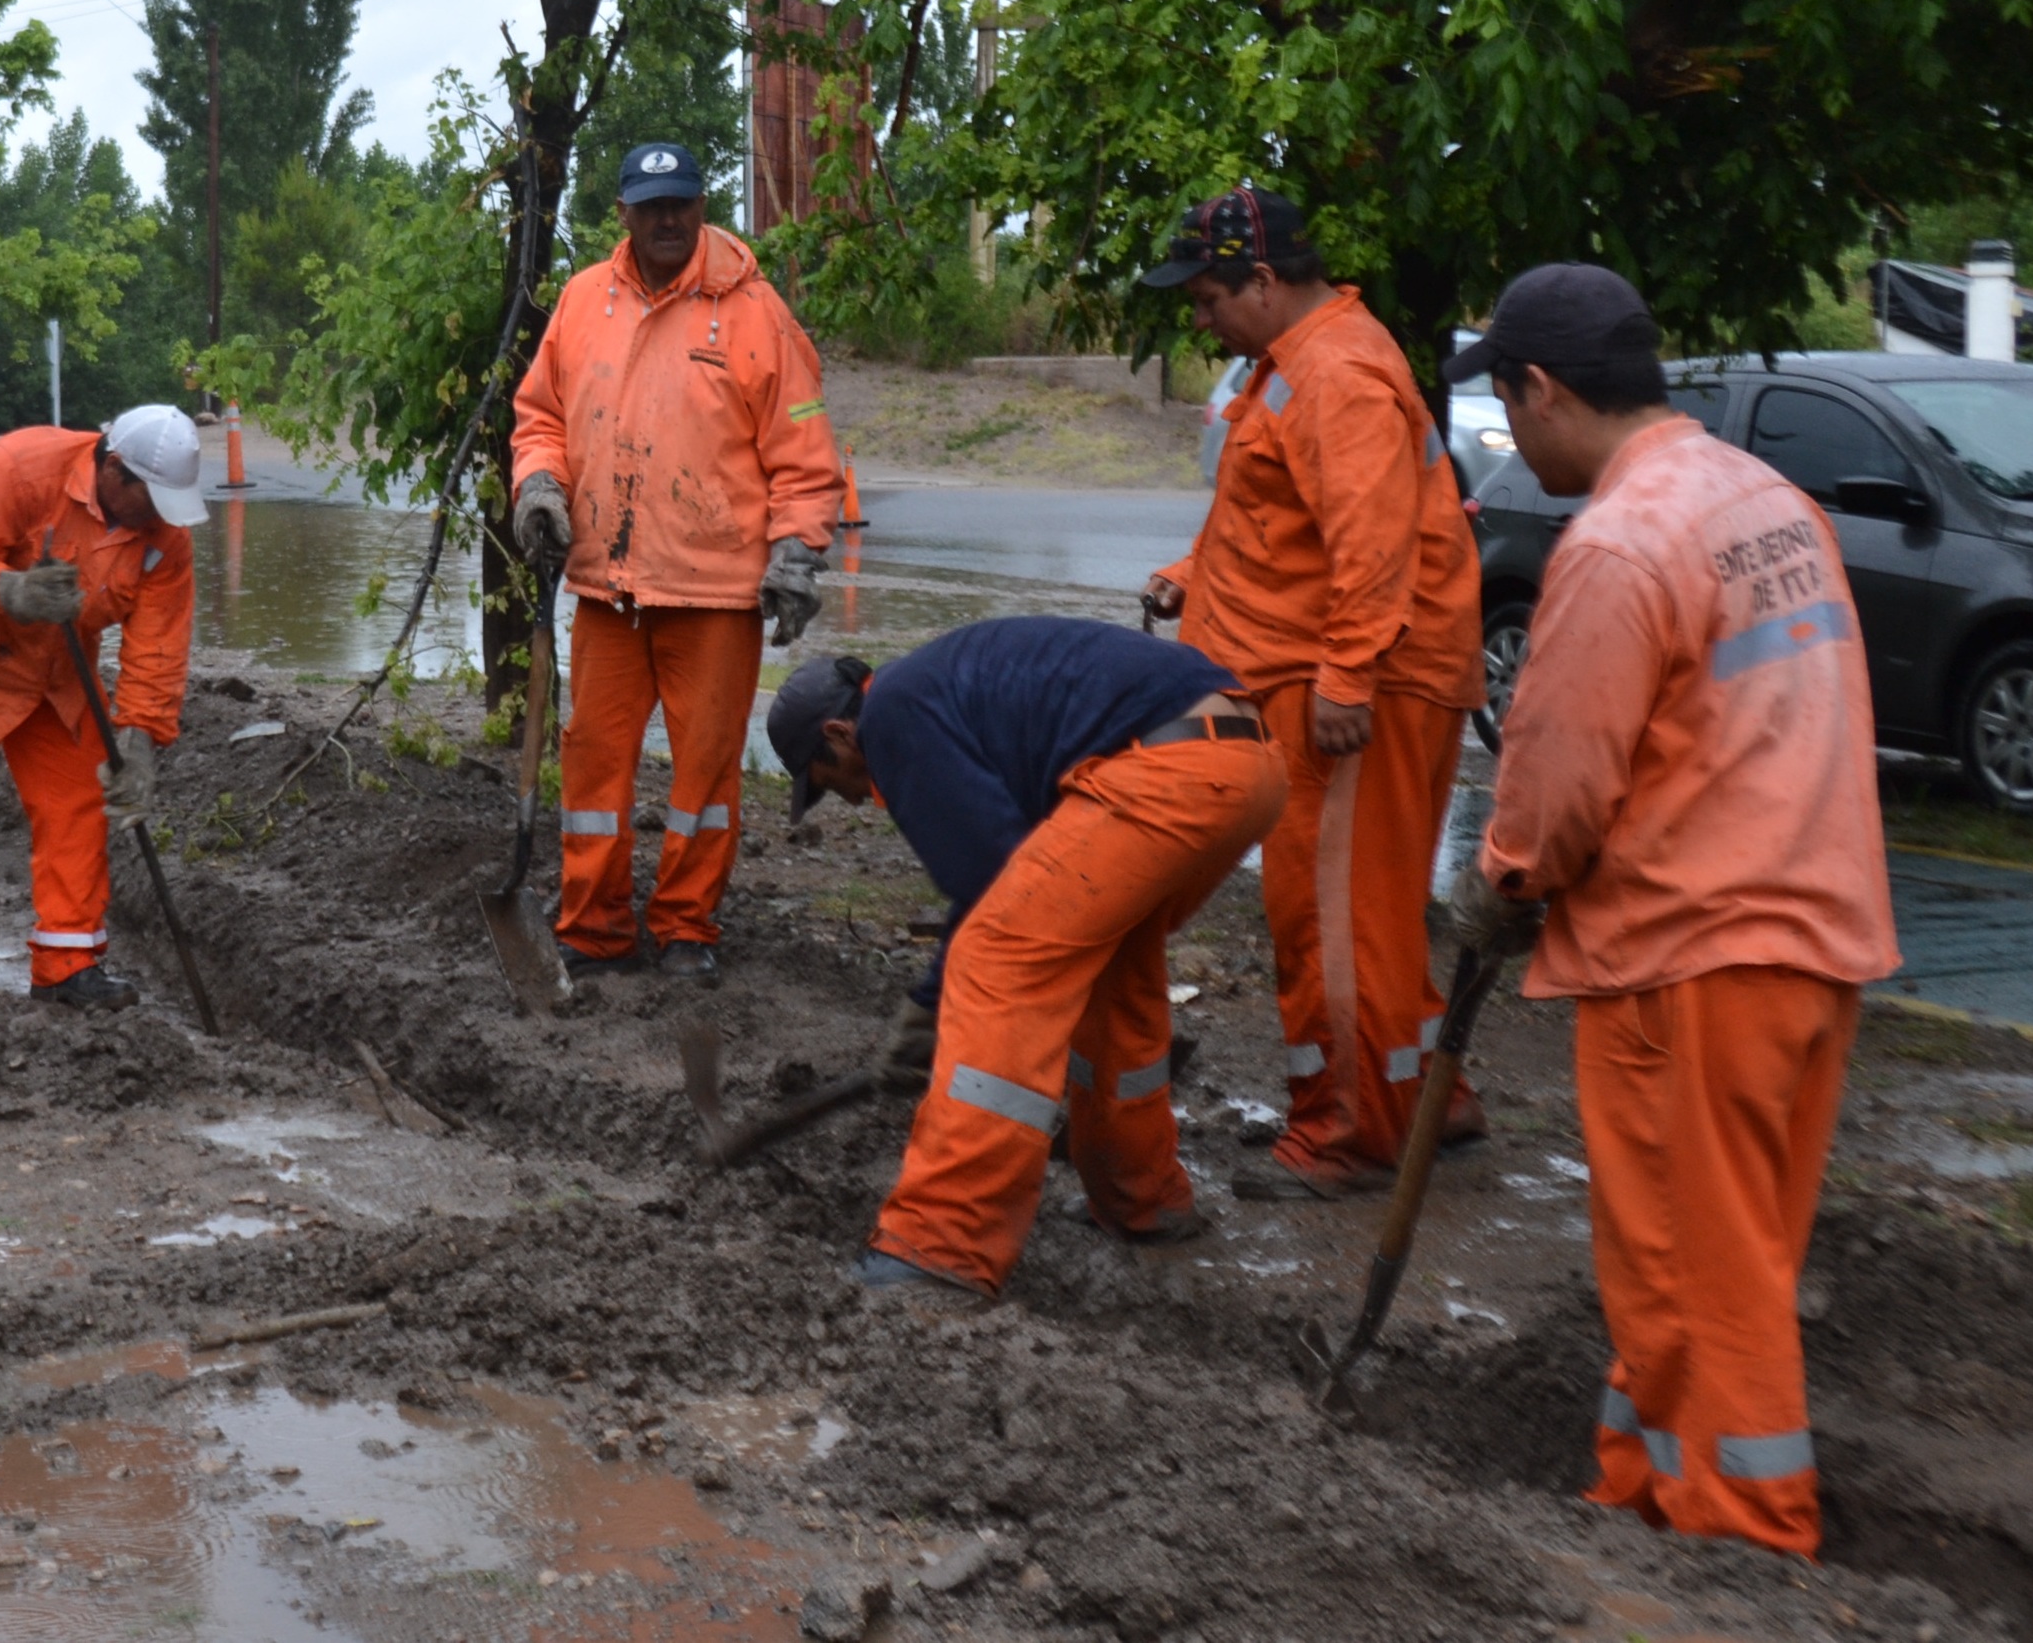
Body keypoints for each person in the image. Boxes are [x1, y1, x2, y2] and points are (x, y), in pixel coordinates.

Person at [1450, 264, 1898, 1559]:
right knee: (1708, 1260)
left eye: (1508, 403)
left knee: (1700, 1276)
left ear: (1542, 389)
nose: (1510, 434)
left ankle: (1741, 1543)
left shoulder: (1616, 540)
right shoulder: (1765, 501)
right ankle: (1639, 1494)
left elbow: (1555, 783)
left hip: (1689, 958)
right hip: (1811, 943)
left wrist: (1502, 883)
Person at [1136, 186, 1488, 1198]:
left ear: (1261, 278)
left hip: (1349, 685)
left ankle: (1343, 1133)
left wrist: (1345, 677)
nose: (1198, 318)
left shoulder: (1335, 373)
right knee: (1368, 911)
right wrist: (1191, 576)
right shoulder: (1291, 366)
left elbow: (1369, 544)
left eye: (1208, 296)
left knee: (1330, 919)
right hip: (1334, 671)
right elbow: (1272, 519)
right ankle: (1426, 1101)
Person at [769, 618, 1288, 1300]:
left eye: (831, 781)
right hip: (1243, 763)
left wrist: (928, 1008)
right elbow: (1006, 865)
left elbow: (987, 881)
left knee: (999, 960)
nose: (856, 798)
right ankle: (1141, 1196)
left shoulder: (893, 710)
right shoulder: (944, 688)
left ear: (839, 734)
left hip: (1166, 770)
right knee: (1108, 968)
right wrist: (926, 1007)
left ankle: (940, 1244)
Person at [511, 141, 844, 985]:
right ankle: (593, 930)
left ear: (702, 206)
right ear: (621, 211)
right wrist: (540, 484)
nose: (668, 218)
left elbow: (806, 456)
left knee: (705, 772)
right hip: (604, 590)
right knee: (592, 766)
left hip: (715, 595)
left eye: (682, 203)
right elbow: (539, 415)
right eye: (651, 204)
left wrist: (799, 551)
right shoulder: (585, 300)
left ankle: (688, 925)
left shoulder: (757, 313)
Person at [0, 406, 209, 1020]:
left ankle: (67, 963)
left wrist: (138, 746)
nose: (163, 515)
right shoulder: (20, 465)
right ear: (115, 470)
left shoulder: (167, 543)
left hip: (59, 663)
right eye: (153, 498)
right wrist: (14, 592)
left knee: (79, 805)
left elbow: (157, 651)